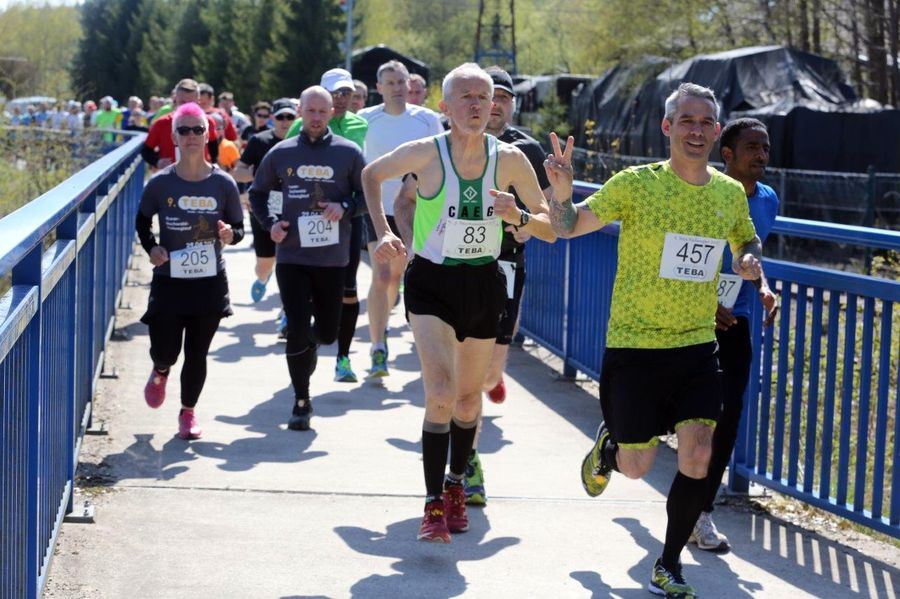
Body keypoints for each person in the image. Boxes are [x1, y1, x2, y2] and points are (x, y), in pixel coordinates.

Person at [552, 82, 763, 598]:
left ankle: (668, 565)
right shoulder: (636, 184)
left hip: (697, 346)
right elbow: (569, 226)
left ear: (716, 132)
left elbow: (746, 236)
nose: (696, 131)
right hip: (635, 347)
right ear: (667, 127)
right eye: (686, 121)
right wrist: (561, 192)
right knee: (636, 465)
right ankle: (610, 448)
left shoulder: (728, 193)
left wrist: (747, 257)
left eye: (705, 122)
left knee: (698, 455)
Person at [364, 63, 559, 543]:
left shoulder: (510, 159)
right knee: (440, 393)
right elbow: (371, 174)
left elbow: (551, 227)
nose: (476, 105)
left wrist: (519, 216)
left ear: (493, 106)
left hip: (482, 283)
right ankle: (432, 504)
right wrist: (384, 233)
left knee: (469, 402)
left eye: (483, 97)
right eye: (465, 97)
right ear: (445, 107)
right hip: (432, 283)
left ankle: (456, 484)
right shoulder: (425, 153)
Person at [249, 86, 366, 431]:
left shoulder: (348, 152)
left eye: (322, 112)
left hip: (332, 259)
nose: (316, 118)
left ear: (332, 113)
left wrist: (344, 206)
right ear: (300, 111)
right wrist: (271, 224)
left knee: (327, 334)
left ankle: (309, 347)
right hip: (292, 255)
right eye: (310, 111)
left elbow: (367, 195)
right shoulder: (282, 152)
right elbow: (257, 193)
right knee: (298, 329)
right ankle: (301, 401)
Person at [689, 118, 779, 553]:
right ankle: (623, 434)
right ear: (727, 154)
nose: (761, 155)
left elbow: (751, 254)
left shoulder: (768, 200)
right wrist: (707, 301)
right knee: (673, 408)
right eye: (752, 147)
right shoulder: (703, 192)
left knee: (726, 416)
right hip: (687, 317)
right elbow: (681, 255)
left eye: (766, 148)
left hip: (736, 321)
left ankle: (701, 512)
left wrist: (763, 288)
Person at [466, 66, 552, 506]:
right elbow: (411, 198)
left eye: (503, 97)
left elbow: (548, 209)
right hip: (454, 264)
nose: (494, 104)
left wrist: (529, 225)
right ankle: (466, 462)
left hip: (505, 262)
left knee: (487, 373)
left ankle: (491, 379)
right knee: (459, 375)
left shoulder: (525, 150)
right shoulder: (449, 142)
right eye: (487, 95)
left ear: (512, 105)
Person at [135, 102, 244, 440]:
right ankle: (161, 369)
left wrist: (230, 235)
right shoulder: (160, 183)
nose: (192, 135)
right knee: (166, 350)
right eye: (184, 130)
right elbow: (142, 221)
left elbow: (239, 228)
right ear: (174, 137)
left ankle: (188, 412)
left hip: (209, 281)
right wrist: (152, 248)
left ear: (208, 134)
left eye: (198, 129)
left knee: (197, 352)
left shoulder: (223, 183)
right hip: (170, 280)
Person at [358, 60, 443, 378]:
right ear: (378, 88)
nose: (396, 88)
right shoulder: (365, 119)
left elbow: (440, 161)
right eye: (390, 83)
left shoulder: (427, 120)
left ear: (410, 85)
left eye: (401, 82)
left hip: (415, 210)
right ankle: (378, 346)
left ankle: (390, 328)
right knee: (381, 276)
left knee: (399, 277)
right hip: (377, 209)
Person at [285, 68, 369, 382]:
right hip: (307, 218)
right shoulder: (301, 125)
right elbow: (283, 171)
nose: (342, 98)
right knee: (309, 290)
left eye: (346, 92)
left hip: (347, 219)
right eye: (336, 93)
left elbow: (365, 175)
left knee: (349, 290)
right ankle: (306, 340)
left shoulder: (361, 124)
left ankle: (343, 358)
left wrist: (350, 204)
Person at [233, 98, 297, 303]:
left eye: (290, 117)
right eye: (281, 117)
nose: (285, 121)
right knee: (265, 264)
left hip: (295, 207)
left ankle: (288, 310)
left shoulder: (303, 142)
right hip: (263, 209)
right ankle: (263, 278)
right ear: (272, 119)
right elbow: (238, 172)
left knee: (293, 264)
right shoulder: (259, 141)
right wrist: (258, 175)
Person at [142, 79, 220, 170]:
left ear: (198, 101)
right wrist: (157, 161)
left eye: (191, 103)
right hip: (170, 175)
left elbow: (213, 147)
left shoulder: (207, 121)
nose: (186, 106)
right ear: (175, 99)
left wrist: (213, 166)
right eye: (182, 102)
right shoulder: (161, 123)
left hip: (201, 174)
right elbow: (146, 150)